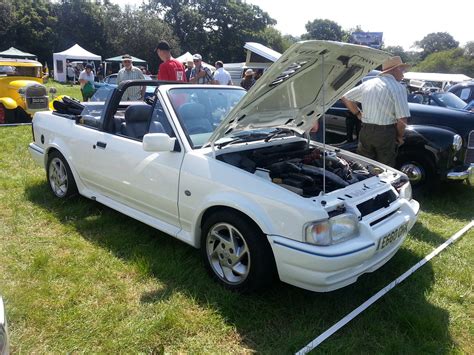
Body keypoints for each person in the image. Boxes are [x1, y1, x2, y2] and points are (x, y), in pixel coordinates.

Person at [341, 56, 410, 167]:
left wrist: (358, 114)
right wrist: (399, 137)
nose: (403, 74)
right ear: (395, 69)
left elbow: (345, 97)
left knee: (363, 165)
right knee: (385, 168)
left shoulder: (368, 83)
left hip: (366, 130)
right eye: (402, 70)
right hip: (385, 133)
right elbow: (402, 119)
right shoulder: (398, 88)